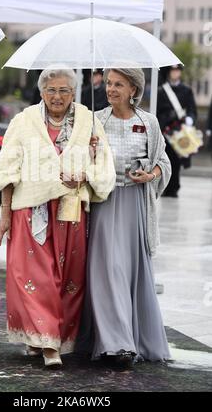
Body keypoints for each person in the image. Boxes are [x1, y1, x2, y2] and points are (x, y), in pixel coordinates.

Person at [0, 68, 115, 367]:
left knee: (69, 279)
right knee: (35, 279)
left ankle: (46, 337)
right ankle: (48, 346)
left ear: (73, 93)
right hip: (30, 210)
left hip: (70, 210)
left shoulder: (89, 121)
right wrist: (4, 215)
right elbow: (7, 171)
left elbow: (104, 166)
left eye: (63, 90)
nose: (57, 96)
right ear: (42, 92)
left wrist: (86, 174)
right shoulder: (23, 121)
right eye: (51, 90)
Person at [78, 68, 171, 367]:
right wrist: (89, 153)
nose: (111, 89)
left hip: (136, 206)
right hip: (104, 203)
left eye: (118, 84)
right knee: (108, 270)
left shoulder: (149, 122)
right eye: (108, 83)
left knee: (130, 270)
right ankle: (116, 344)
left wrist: (150, 174)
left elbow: (163, 162)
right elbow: (78, 160)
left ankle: (132, 340)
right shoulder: (96, 120)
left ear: (134, 89)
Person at [157, 65, 197, 197]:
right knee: (165, 159)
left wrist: (190, 118)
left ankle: (174, 187)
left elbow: (192, 108)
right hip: (165, 131)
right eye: (172, 71)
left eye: (177, 71)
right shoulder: (162, 91)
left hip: (179, 131)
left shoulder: (186, 90)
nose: (175, 73)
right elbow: (158, 111)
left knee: (176, 160)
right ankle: (166, 186)